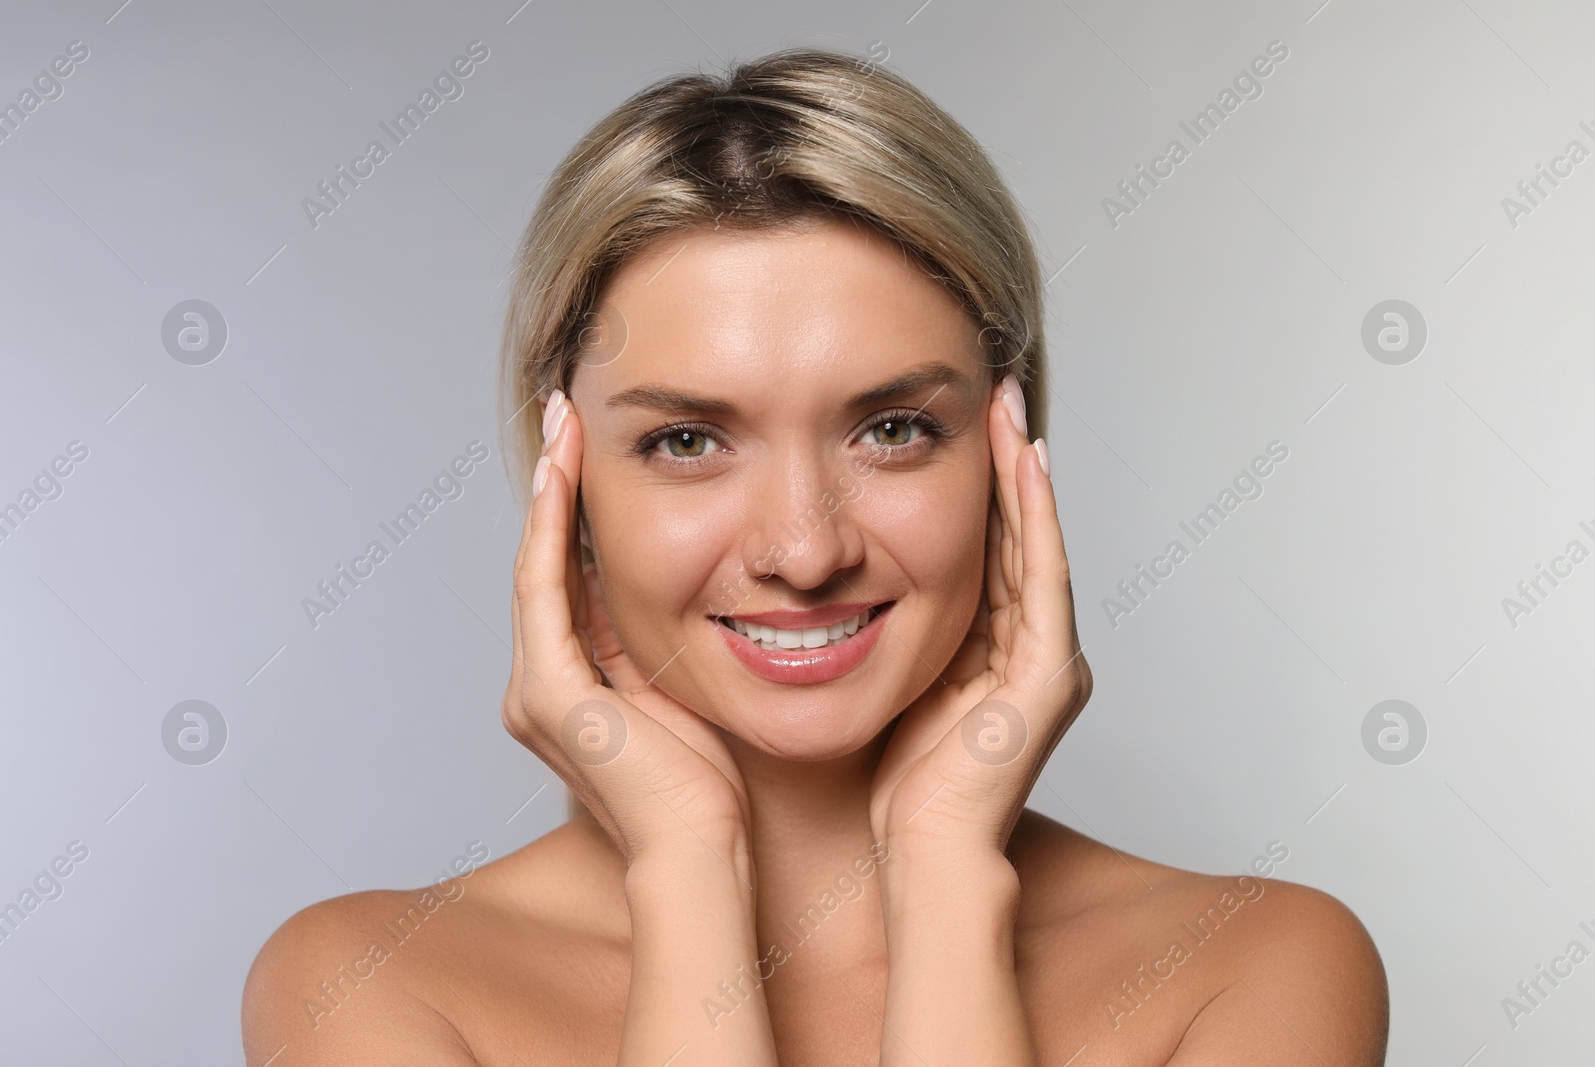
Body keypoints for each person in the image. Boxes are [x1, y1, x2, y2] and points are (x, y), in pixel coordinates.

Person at [242, 47, 1388, 1065]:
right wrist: (687, 867)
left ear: (1007, 454)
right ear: (574, 487)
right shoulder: (368, 986)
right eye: (686, 439)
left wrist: (943, 871)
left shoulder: (1255, 967)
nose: (803, 547)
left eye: (893, 428)